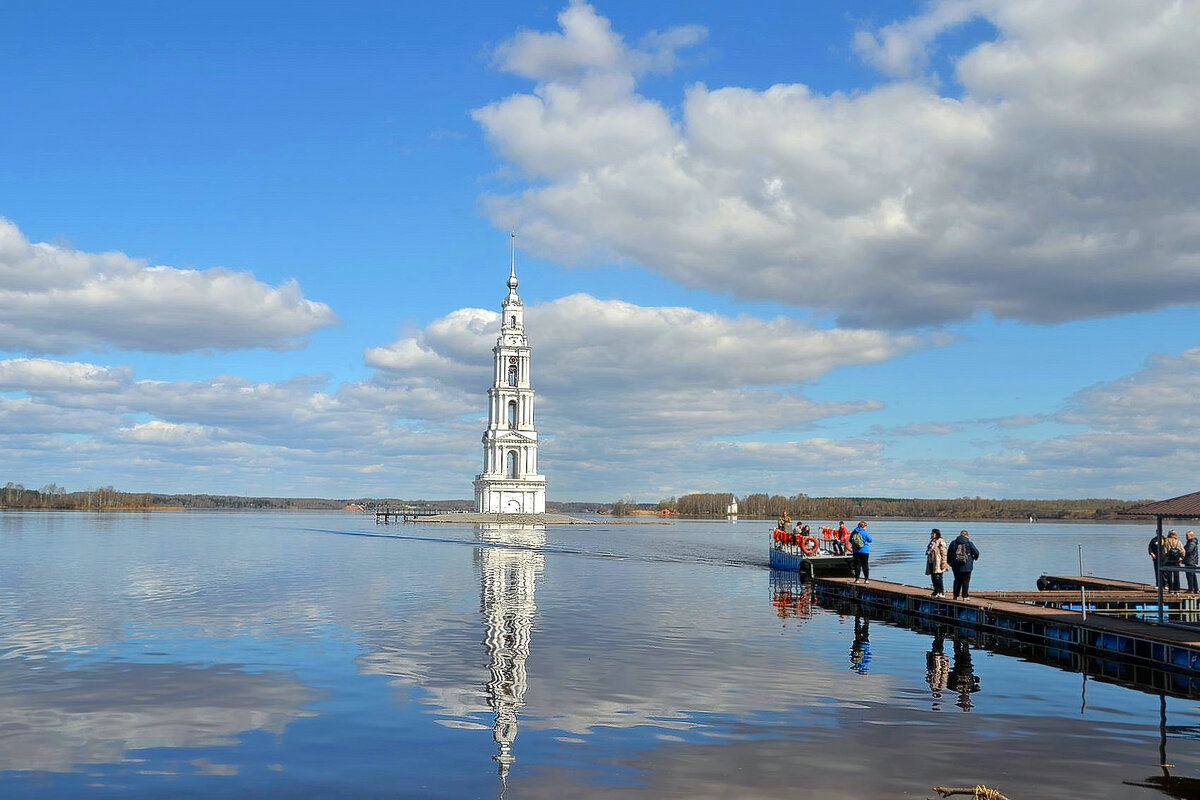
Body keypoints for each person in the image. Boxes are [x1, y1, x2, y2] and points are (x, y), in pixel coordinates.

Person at [947, 529, 980, 600]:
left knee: (957, 580)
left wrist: (949, 562)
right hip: (967, 566)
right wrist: (974, 558)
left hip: (956, 566)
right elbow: (977, 552)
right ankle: (965, 596)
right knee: (966, 581)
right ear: (967, 535)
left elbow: (949, 553)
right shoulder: (969, 543)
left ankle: (955, 596)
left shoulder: (953, 543)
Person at [925, 528, 948, 597]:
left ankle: (941, 592)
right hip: (931, 562)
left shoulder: (941, 541)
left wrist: (944, 562)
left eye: (933, 533)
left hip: (938, 562)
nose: (931, 535)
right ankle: (935, 591)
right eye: (931, 533)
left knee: (938, 577)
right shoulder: (932, 541)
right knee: (933, 577)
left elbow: (944, 552)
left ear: (937, 534)